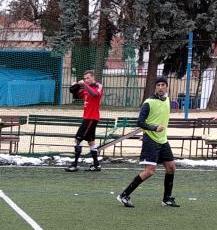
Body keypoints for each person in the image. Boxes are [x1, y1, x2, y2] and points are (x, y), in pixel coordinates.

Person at [117, 77, 179, 208]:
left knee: (171, 167)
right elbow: (140, 122)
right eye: (158, 85)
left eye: (163, 85)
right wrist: (153, 129)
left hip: (162, 140)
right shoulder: (149, 102)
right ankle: (124, 195)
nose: (160, 87)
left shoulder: (167, 100)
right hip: (151, 139)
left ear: (166, 87)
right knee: (149, 171)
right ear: (155, 87)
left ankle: (167, 199)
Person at [67, 71, 104, 171]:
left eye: (88, 78)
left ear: (93, 77)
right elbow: (76, 95)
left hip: (91, 118)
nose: (86, 80)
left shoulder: (98, 86)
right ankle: (96, 165)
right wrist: (75, 86)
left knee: (78, 139)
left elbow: (95, 94)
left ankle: (74, 165)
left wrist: (84, 85)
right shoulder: (86, 89)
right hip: (87, 118)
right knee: (91, 141)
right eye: (85, 78)